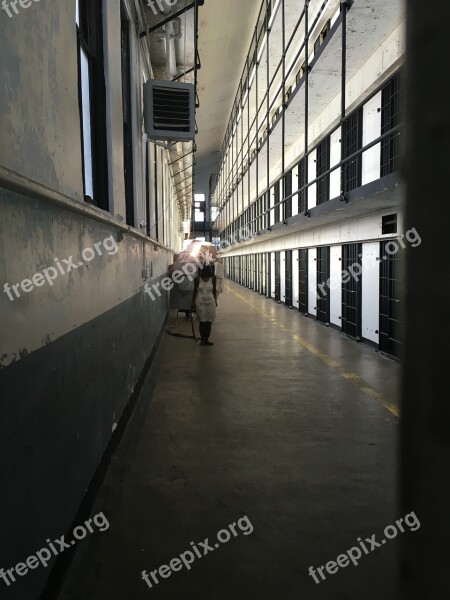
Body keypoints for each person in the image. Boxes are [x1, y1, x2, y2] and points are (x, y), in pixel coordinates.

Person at [191, 264, 218, 346]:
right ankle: (202, 340)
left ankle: (206, 339)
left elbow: (214, 291)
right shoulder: (197, 279)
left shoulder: (213, 279)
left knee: (209, 321)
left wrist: (215, 301)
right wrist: (192, 302)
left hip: (210, 302)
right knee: (202, 322)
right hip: (200, 301)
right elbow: (195, 291)